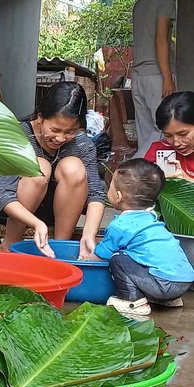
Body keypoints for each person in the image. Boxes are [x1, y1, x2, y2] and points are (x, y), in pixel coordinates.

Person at [0, 82, 106, 258]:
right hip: (3, 206)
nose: (61, 138)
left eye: (71, 131)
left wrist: (88, 235)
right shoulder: (18, 135)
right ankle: (9, 248)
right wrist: (37, 224)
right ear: (40, 117)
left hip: (50, 209)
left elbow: (96, 194)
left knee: (74, 168)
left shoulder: (82, 143)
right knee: (40, 168)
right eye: (55, 130)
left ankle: (59, 251)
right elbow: (3, 195)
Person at [83, 159, 193, 316]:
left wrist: (86, 259)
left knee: (118, 258)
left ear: (118, 196)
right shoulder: (151, 217)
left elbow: (103, 254)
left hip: (164, 284)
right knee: (136, 257)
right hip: (184, 282)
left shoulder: (122, 225)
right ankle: (167, 299)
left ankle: (131, 300)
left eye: (110, 187)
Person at [132, 0, 177, 158]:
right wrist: (167, 77)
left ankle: (143, 175)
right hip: (157, 75)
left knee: (144, 133)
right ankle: (133, 167)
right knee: (166, 129)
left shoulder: (139, 4)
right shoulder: (166, 2)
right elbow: (161, 38)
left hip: (138, 75)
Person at [144, 91, 194, 181]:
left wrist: (187, 181)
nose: (176, 142)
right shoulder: (158, 150)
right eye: (168, 135)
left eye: (183, 134)